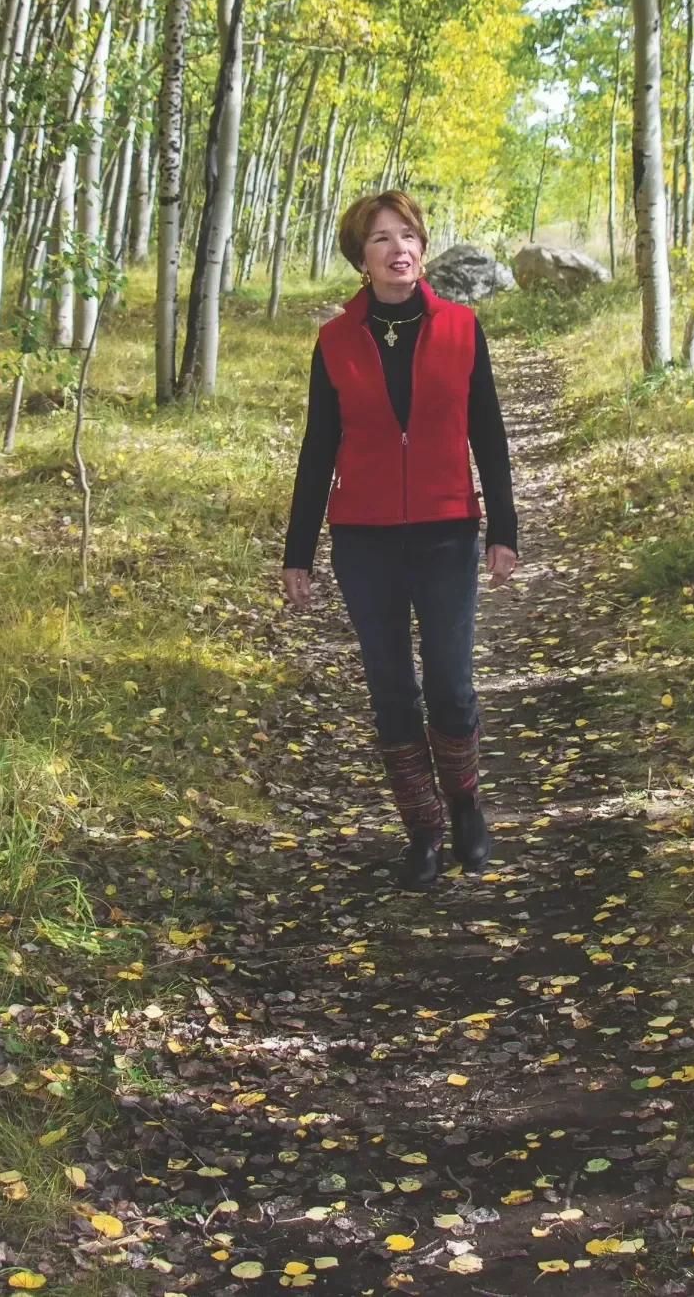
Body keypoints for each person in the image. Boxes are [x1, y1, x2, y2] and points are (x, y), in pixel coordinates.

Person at [282, 190, 518, 889]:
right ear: (362, 258)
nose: (399, 249)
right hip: (364, 540)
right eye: (382, 239)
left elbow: (491, 436)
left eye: (408, 235)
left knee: (450, 686)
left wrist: (503, 529)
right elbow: (317, 448)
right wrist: (299, 552)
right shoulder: (335, 340)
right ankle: (423, 830)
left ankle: (466, 800)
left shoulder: (461, 328)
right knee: (392, 693)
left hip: (447, 531)